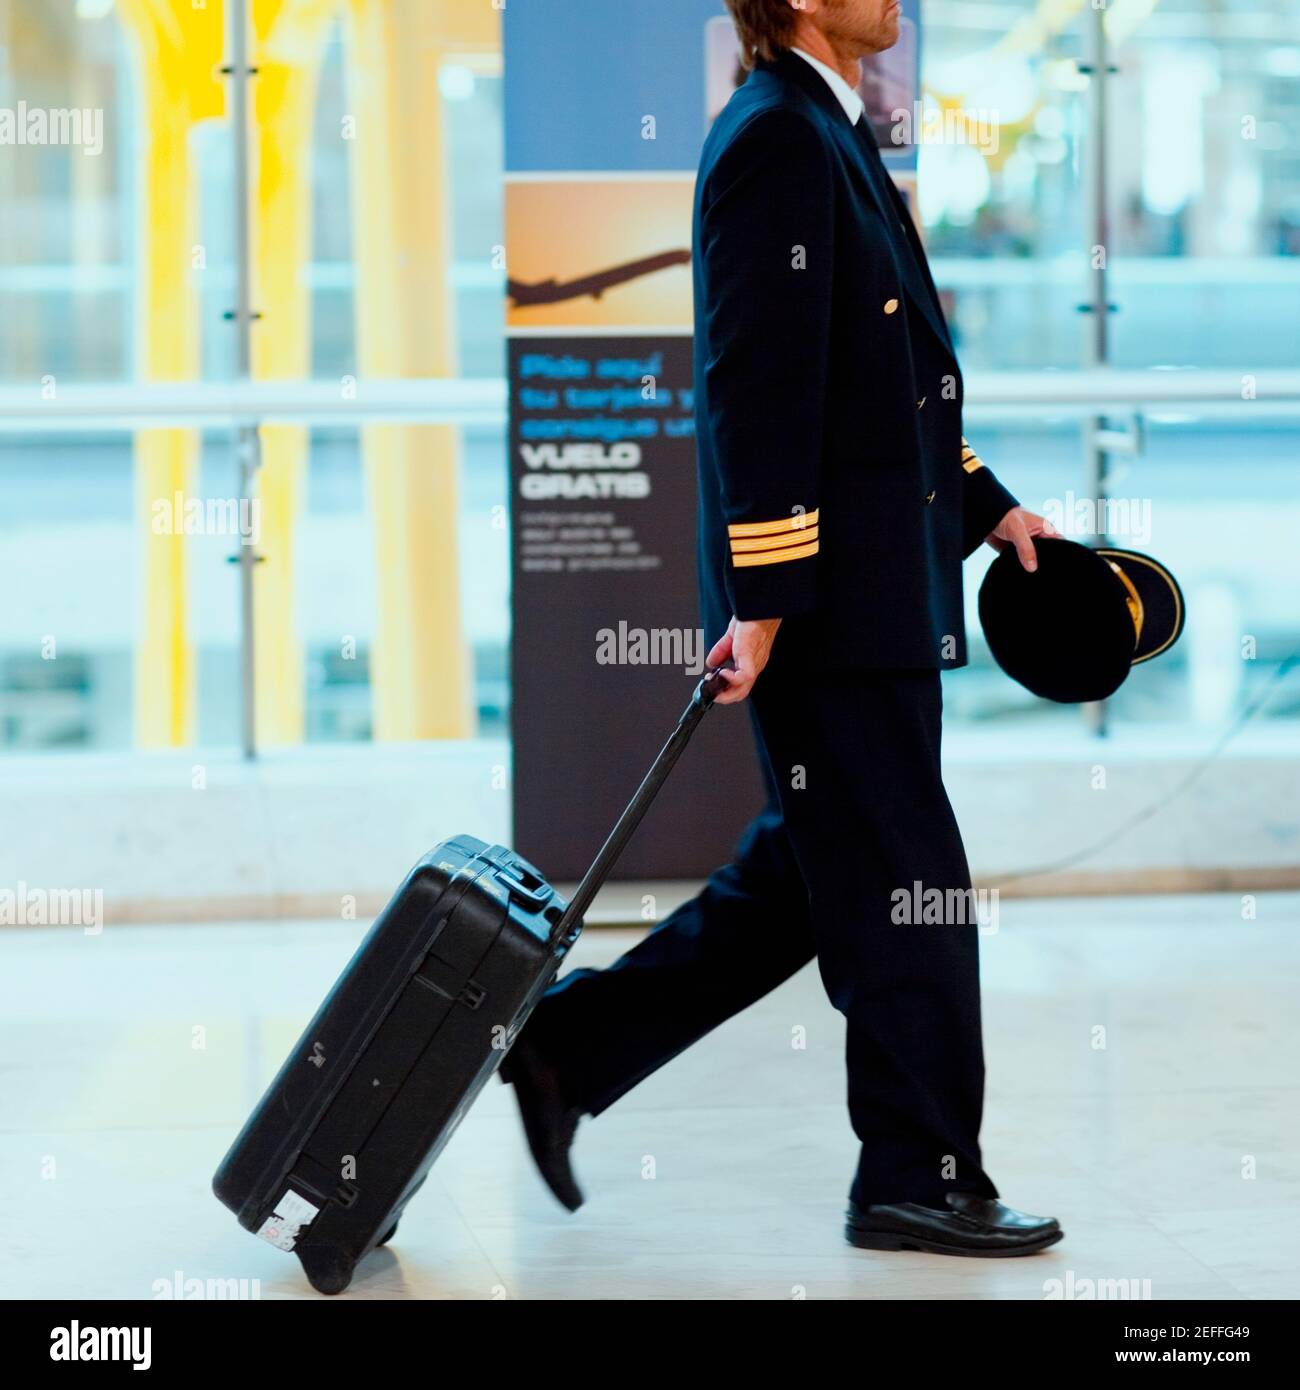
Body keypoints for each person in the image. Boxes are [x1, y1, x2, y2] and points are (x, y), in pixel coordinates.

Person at [502, 0, 1063, 1257]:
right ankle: (911, 1175)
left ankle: (565, 1047)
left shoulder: (824, 123)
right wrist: (763, 599)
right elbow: (754, 381)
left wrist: (988, 508)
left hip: (863, 590)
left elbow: (882, 381)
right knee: (908, 885)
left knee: (818, 878)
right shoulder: (776, 136)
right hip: (829, 608)